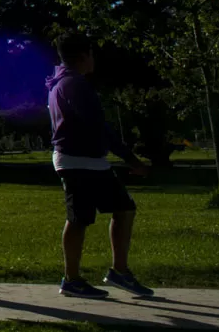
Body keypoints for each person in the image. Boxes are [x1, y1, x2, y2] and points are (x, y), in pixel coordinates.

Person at [48, 35, 153, 299]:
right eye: (92, 54)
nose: (94, 59)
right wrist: (131, 159)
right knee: (80, 218)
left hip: (88, 161)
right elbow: (99, 128)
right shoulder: (74, 84)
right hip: (77, 161)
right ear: (83, 56)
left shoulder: (62, 83)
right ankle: (73, 279)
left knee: (122, 209)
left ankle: (118, 272)